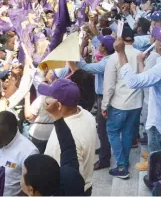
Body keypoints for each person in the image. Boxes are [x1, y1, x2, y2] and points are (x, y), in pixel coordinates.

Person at [116, 26, 161, 174]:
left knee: (158, 160)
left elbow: (133, 82)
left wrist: (121, 53)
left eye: (156, 40)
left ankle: (155, 179)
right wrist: (140, 61)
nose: (154, 42)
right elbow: (149, 78)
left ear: (160, 44)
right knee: (159, 151)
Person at [39, 78, 97, 195]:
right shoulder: (86, 114)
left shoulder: (60, 140)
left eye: (48, 97)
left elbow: (71, 180)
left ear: (58, 105)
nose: (45, 99)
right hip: (87, 185)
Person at [21, 96, 86, 196]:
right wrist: (57, 116)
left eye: (22, 174)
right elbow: (68, 146)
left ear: (31, 190)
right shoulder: (70, 179)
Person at [68, 34, 115, 170]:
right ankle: (104, 149)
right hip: (102, 96)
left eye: (100, 44)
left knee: (102, 128)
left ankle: (104, 159)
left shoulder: (106, 63)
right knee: (103, 128)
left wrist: (77, 49)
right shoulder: (110, 57)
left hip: (103, 97)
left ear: (104, 49)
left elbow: (85, 67)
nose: (98, 45)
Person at [102, 27, 143, 179]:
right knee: (127, 133)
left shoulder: (114, 58)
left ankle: (121, 166)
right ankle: (124, 161)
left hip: (119, 103)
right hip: (136, 103)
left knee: (112, 132)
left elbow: (109, 85)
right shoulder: (140, 54)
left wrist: (104, 105)